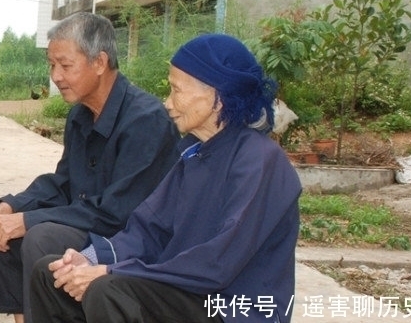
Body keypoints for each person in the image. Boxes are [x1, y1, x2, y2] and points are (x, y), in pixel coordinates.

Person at [28, 33, 302, 323]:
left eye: (176, 91)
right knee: (52, 276)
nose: (168, 103)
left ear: (217, 98)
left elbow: (218, 262)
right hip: (184, 293)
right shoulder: (193, 153)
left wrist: (112, 272)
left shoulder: (260, 160)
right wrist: (91, 260)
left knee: (110, 290)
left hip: (230, 309)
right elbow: (148, 231)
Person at [0, 12, 179, 323]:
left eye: (65, 65)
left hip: (123, 238)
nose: (56, 76)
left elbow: (117, 213)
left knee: (41, 236)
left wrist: (28, 220)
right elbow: (64, 183)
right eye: (51, 65)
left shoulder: (146, 120)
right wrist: (13, 206)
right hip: (89, 220)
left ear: (99, 62)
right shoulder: (80, 114)